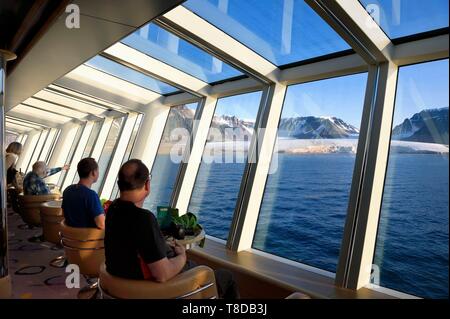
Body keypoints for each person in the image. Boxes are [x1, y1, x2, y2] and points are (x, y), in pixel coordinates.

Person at [105, 159, 239, 299]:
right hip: (154, 289)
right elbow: (162, 274)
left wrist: (159, 243)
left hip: (120, 284)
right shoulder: (143, 219)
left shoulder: (113, 209)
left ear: (119, 184)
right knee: (226, 277)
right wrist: (182, 256)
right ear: (147, 185)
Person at [62, 158, 105, 229]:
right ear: (93, 172)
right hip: (86, 238)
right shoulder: (91, 195)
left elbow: (64, 214)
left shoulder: (67, 190)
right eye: (98, 170)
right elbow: (102, 225)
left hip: (68, 237)